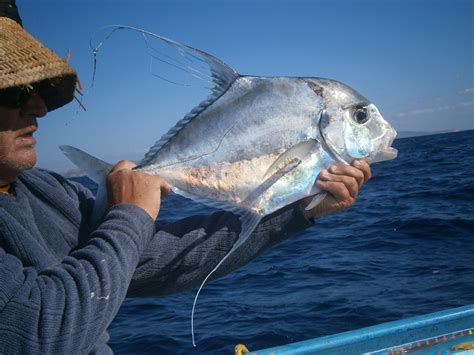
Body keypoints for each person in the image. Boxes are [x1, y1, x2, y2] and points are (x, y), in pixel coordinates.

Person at [0, 1, 371, 353]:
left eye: (40, 90)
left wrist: (299, 211)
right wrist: (130, 214)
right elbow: (36, 334)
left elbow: (153, 263)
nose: (40, 107)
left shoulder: (44, 192)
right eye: (17, 92)